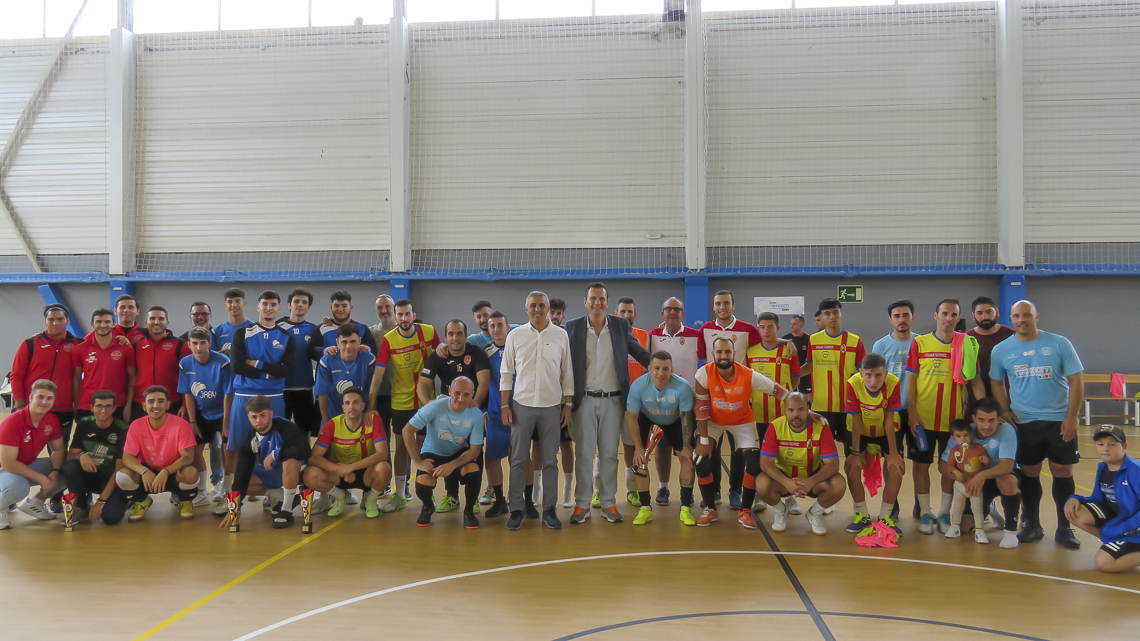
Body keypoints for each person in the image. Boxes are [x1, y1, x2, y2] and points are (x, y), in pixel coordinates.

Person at [990, 300, 1085, 549]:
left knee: (1062, 470)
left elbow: (1076, 380)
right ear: (1011, 318)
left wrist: (1072, 417)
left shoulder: (1059, 343)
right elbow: (996, 382)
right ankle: (1032, 524)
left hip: (1059, 420)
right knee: (1030, 472)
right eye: (1016, 316)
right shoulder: (1001, 349)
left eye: (1026, 315)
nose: (1021, 320)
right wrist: (1005, 410)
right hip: (1024, 422)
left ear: (1036, 316)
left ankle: (1065, 527)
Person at [566, 283, 652, 524]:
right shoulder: (572, 327)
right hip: (583, 400)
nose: (597, 302)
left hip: (614, 401)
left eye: (601, 298)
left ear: (607, 302)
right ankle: (582, 504)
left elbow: (638, 351)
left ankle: (608, 503)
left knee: (609, 455)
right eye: (593, 298)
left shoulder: (620, 325)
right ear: (585, 302)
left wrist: (659, 366)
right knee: (584, 455)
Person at [907, 299, 985, 535]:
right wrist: (912, 412)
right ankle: (925, 511)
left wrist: (983, 412)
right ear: (936, 315)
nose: (949, 318)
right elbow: (911, 381)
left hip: (953, 424)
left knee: (950, 467)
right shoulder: (920, 343)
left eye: (953, 315)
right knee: (920, 466)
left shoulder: (966, 343)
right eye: (944, 314)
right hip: (923, 420)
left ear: (958, 318)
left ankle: (944, 513)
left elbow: (975, 381)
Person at [694, 337, 790, 528]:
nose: (723, 355)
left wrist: (802, 408)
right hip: (714, 422)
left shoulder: (748, 374)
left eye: (727, 352)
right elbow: (701, 409)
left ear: (734, 354)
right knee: (701, 460)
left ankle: (745, 510)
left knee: (754, 463)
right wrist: (703, 441)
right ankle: (710, 508)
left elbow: (778, 390)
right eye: (719, 352)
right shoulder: (703, 373)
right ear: (713, 354)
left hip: (742, 422)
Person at [500, 291, 573, 531]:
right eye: (533, 305)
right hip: (521, 406)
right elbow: (506, 373)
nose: (537, 309)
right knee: (518, 459)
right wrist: (504, 405)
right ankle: (516, 509)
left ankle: (549, 509)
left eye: (542, 305)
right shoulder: (515, 335)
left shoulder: (561, 335)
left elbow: (568, 372)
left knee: (550, 461)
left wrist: (568, 404)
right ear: (526, 309)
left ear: (548, 308)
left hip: (552, 407)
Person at [227, 291, 295, 514]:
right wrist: (270, 371)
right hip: (243, 396)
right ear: (257, 307)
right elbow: (237, 366)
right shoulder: (242, 333)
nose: (269, 308)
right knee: (238, 448)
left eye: (273, 304)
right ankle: (234, 498)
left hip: (273, 398)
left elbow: (287, 370)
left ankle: (272, 493)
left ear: (279, 308)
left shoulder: (286, 336)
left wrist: (255, 364)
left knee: (272, 448)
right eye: (265, 304)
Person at [371, 299, 440, 513]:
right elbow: (378, 374)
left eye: (407, 314)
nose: (403, 318)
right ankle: (400, 495)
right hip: (400, 402)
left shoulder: (429, 331)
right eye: (400, 314)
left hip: (427, 401)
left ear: (413, 315)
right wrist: (371, 405)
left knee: (426, 448)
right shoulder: (389, 339)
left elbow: (443, 357)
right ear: (395, 316)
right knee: (401, 448)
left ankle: (427, 495)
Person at [699, 290, 763, 511]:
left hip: (740, 399)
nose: (722, 307)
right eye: (718, 303)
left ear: (733, 305)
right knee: (713, 448)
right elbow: (701, 355)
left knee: (738, 450)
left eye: (726, 303)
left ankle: (735, 491)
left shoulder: (748, 329)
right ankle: (715, 489)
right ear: (714, 306)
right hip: (715, 399)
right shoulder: (705, 329)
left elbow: (768, 340)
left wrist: (787, 341)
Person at [419, 320, 491, 513]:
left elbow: (484, 381)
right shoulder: (439, 355)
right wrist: (428, 405)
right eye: (451, 334)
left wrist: (475, 402)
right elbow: (422, 385)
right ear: (445, 337)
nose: (455, 338)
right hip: (447, 413)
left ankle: (472, 500)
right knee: (448, 448)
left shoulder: (477, 353)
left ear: (466, 336)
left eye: (459, 333)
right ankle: (452, 497)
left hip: (471, 412)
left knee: (475, 452)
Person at [11, 304, 79, 509]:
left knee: (59, 454)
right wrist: (20, 405)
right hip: (29, 410)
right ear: (45, 321)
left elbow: (101, 338)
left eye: (60, 319)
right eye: (51, 319)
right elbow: (16, 375)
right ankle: (10, 495)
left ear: (67, 321)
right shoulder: (30, 344)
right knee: (17, 455)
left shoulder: (78, 344)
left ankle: (55, 497)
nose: (55, 323)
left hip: (62, 410)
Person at [755, 393, 846, 535]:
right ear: (785, 410)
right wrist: (787, 482)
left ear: (808, 409)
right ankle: (780, 510)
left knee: (838, 484)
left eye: (800, 409)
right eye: (791, 410)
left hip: (812, 480)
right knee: (761, 483)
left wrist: (811, 481)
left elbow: (832, 465)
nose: (795, 414)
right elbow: (765, 463)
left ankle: (815, 512)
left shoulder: (821, 427)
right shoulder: (775, 426)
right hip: (783, 481)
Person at [219, 394, 312, 530]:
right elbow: (242, 471)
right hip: (273, 472)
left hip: (296, 472)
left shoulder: (285, 426)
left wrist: (276, 454)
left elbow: (305, 451)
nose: (259, 421)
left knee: (289, 461)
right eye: (254, 417)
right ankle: (283, 497)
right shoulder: (251, 438)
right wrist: (235, 507)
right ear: (248, 417)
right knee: (239, 481)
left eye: (263, 415)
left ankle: (286, 510)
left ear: (271, 414)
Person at [624, 352, 696, 525]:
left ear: (672, 370)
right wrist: (638, 448)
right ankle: (645, 507)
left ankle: (685, 507)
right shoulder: (639, 385)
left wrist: (687, 446)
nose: (660, 373)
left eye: (665, 369)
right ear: (649, 369)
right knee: (639, 460)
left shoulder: (683, 387)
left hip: (675, 420)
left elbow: (687, 418)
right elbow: (631, 418)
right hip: (647, 419)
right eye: (656, 368)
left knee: (687, 458)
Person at [939, 399, 1022, 548]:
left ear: (999, 419)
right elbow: (943, 466)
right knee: (964, 528)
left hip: (998, 476)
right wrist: (962, 476)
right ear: (974, 418)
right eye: (982, 420)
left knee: (1007, 480)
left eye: (991, 420)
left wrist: (981, 475)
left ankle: (1010, 532)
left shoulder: (1006, 430)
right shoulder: (963, 433)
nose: (986, 426)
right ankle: (989, 507)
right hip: (975, 482)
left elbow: (1007, 466)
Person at [405, 377, 486, 529]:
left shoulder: (475, 414)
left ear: (473, 394)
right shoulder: (434, 407)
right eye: (457, 393)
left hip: (458, 453)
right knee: (424, 482)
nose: (461, 399)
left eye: (467, 395)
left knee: (473, 470)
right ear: (449, 391)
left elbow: (474, 451)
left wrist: (451, 465)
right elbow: (407, 430)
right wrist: (417, 462)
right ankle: (428, 507)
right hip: (433, 452)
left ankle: (468, 512)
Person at [647, 296, 702, 507]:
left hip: (688, 402)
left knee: (686, 446)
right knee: (662, 444)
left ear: (682, 314)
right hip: (660, 401)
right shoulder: (653, 335)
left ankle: (687, 491)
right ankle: (663, 487)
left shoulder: (695, 335)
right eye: (668, 309)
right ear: (662, 313)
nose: (672, 312)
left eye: (676, 309)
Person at [303, 388, 390, 518]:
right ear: (343, 408)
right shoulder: (333, 424)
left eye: (356, 402)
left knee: (384, 468)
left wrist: (351, 467)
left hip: (366, 472)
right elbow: (313, 457)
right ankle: (341, 496)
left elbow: (383, 454)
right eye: (347, 403)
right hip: (340, 474)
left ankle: (370, 499)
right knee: (310, 474)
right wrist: (339, 469)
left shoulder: (373, 420)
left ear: (363, 406)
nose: (351, 406)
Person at [843, 354, 905, 536]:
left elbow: (889, 419)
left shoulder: (893, 383)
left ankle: (886, 517)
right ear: (861, 372)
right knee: (852, 468)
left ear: (886, 373)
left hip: (886, 430)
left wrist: (893, 453)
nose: (873, 381)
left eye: (878, 375)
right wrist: (855, 454)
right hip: (860, 430)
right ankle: (861, 515)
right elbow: (855, 420)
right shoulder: (853, 383)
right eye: (868, 375)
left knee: (896, 469)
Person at [117, 385, 199, 521]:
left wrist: (166, 471)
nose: (155, 405)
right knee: (122, 476)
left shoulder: (181, 424)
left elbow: (188, 457)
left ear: (167, 404)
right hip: (147, 474)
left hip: (172, 472)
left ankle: (185, 501)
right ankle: (142, 501)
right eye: (151, 401)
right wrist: (143, 471)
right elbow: (127, 457)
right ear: (144, 406)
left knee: (191, 473)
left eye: (160, 401)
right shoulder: (136, 425)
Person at [747, 312, 802, 515]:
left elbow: (795, 379)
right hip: (758, 414)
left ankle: (790, 497)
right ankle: (759, 494)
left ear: (778, 328)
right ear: (758, 328)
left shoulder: (788, 350)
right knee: (760, 457)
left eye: (770, 326)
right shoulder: (750, 351)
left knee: (786, 456)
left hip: (783, 416)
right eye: (762, 327)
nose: (766, 331)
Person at [1065, 425, 1140, 573]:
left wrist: (1122, 528)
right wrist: (1075, 498)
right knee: (1075, 512)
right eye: (1101, 444)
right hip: (1122, 520)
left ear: (1124, 447)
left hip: (1134, 525)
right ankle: (1115, 541)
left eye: (1112, 444)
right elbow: (1097, 498)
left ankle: (1122, 542)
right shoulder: (1103, 467)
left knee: (1104, 563)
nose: (1106, 448)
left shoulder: (1135, 471)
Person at [179, 327, 234, 510]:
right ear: (189, 345)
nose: (199, 347)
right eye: (194, 343)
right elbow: (188, 394)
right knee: (195, 450)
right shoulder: (185, 363)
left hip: (222, 411)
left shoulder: (223, 362)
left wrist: (226, 424)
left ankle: (226, 490)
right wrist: (193, 422)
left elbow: (228, 395)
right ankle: (202, 492)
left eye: (203, 343)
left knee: (226, 449)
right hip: (201, 412)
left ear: (210, 344)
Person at [0, 380, 66, 528]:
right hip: (4, 468)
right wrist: (41, 478)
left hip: (25, 465)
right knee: (19, 487)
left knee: (68, 467)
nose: (44, 402)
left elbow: (58, 449)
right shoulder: (13, 422)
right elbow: (8, 463)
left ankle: (35, 502)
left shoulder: (51, 420)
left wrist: (55, 471)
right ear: (30, 398)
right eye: (40, 397)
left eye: (49, 398)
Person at [802, 298, 866, 448]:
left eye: (835, 312)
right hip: (821, 406)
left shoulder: (855, 340)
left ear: (841, 314)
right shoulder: (814, 340)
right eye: (827, 313)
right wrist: (788, 376)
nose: (832, 316)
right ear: (822, 317)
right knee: (820, 451)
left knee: (852, 450)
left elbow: (863, 372)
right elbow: (809, 366)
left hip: (848, 406)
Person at [61, 389, 130, 526]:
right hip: (92, 476)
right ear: (92, 408)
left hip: (112, 480)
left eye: (108, 406)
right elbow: (71, 455)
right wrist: (82, 455)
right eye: (99, 406)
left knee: (111, 518)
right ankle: (81, 506)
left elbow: (119, 470)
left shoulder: (123, 428)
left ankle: (126, 499)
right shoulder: (84, 423)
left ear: (114, 408)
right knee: (70, 467)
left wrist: (101, 501)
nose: (103, 410)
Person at [872, 299, 914, 519]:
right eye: (897, 316)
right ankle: (892, 505)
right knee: (891, 460)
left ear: (913, 318)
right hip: (891, 412)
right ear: (890, 320)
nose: (901, 319)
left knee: (921, 463)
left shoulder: (920, 343)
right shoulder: (880, 346)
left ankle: (921, 506)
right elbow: (874, 380)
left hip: (917, 411)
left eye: (906, 315)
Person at [613, 296, 650, 507]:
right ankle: (598, 491)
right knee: (605, 445)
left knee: (631, 446)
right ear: (616, 314)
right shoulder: (609, 334)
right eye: (623, 311)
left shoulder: (644, 335)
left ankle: (632, 489)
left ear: (635, 314)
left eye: (630, 312)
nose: (626, 315)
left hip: (635, 402)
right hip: (612, 398)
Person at [73, 308, 136, 422]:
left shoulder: (126, 348)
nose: (103, 325)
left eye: (107, 321)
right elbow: (76, 378)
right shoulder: (80, 348)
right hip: (87, 405)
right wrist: (76, 404)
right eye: (99, 321)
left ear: (113, 324)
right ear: (92, 324)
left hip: (117, 405)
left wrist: (128, 405)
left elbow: (132, 378)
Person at [131, 306, 193, 421]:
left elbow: (189, 377)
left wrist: (185, 404)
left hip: (172, 403)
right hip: (142, 403)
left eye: (161, 318)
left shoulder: (181, 345)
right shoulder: (136, 345)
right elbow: (132, 375)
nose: (156, 322)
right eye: (152, 318)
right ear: (145, 322)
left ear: (167, 322)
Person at [479, 312, 513, 518]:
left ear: (508, 327)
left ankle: (518, 499)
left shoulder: (518, 349)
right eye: (493, 326)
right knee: (492, 458)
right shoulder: (486, 353)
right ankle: (499, 500)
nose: (497, 329)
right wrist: (483, 409)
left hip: (518, 412)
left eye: (500, 325)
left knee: (518, 457)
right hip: (494, 414)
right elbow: (481, 383)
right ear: (488, 330)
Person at [277, 288, 321, 438]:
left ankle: (304, 455)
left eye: (304, 302)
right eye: (296, 301)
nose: (300, 304)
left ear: (308, 307)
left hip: (304, 389)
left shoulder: (314, 330)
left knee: (304, 432)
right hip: (280, 388)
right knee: (279, 431)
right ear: (289, 305)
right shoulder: (277, 327)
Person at [942, 420, 992, 545]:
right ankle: (954, 527)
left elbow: (988, 464)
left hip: (975, 486)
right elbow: (949, 465)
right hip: (960, 485)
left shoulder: (978, 448)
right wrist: (956, 472)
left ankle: (980, 531)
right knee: (958, 506)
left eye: (966, 435)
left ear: (971, 435)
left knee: (977, 508)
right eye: (958, 436)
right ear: (953, 438)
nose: (963, 439)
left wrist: (986, 461)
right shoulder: (954, 451)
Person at [316, 324, 377, 424]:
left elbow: (372, 391)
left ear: (359, 341)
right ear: (337, 342)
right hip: (334, 416)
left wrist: (369, 413)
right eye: (344, 342)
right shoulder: (327, 360)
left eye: (353, 341)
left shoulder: (369, 359)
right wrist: (326, 422)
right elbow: (322, 394)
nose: (349, 346)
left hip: (361, 416)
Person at [966, 296, 1015, 417]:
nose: (985, 316)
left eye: (989, 312)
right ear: (973, 316)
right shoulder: (966, 339)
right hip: (976, 406)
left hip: (1010, 406)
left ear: (997, 312)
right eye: (980, 313)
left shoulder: (1012, 336)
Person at [369, 294, 398, 436]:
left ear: (394, 308)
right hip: (380, 394)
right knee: (381, 437)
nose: (384, 310)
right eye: (380, 307)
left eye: (387, 306)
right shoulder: (370, 333)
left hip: (401, 394)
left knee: (403, 436)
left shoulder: (404, 330)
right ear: (376, 310)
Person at [314, 291, 379, 354]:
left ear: (351, 308)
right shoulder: (322, 328)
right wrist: (324, 350)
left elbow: (373, 350)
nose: (340, 309)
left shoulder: (362, 328)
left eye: (344, 306)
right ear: (331, 308)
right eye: (336, 306)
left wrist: (367, 349)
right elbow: (312, 350)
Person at [213, 288, 252, 355]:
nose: (234, 305)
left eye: (237, 301)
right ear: (226, 305)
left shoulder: (254, 329)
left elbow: (258, 354)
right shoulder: (217, 331)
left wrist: (235, 353)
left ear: (244, 303)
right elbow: (214, 357)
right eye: (230, 302)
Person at [781, 314, 811, 395]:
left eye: (794, 324)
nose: (792, 326)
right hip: (791, 374)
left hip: (804, 374)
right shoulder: (785, 339)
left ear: (801, 325)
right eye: (791, 324)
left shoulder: (808, 339)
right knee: (790, 396)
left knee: (805, 398)